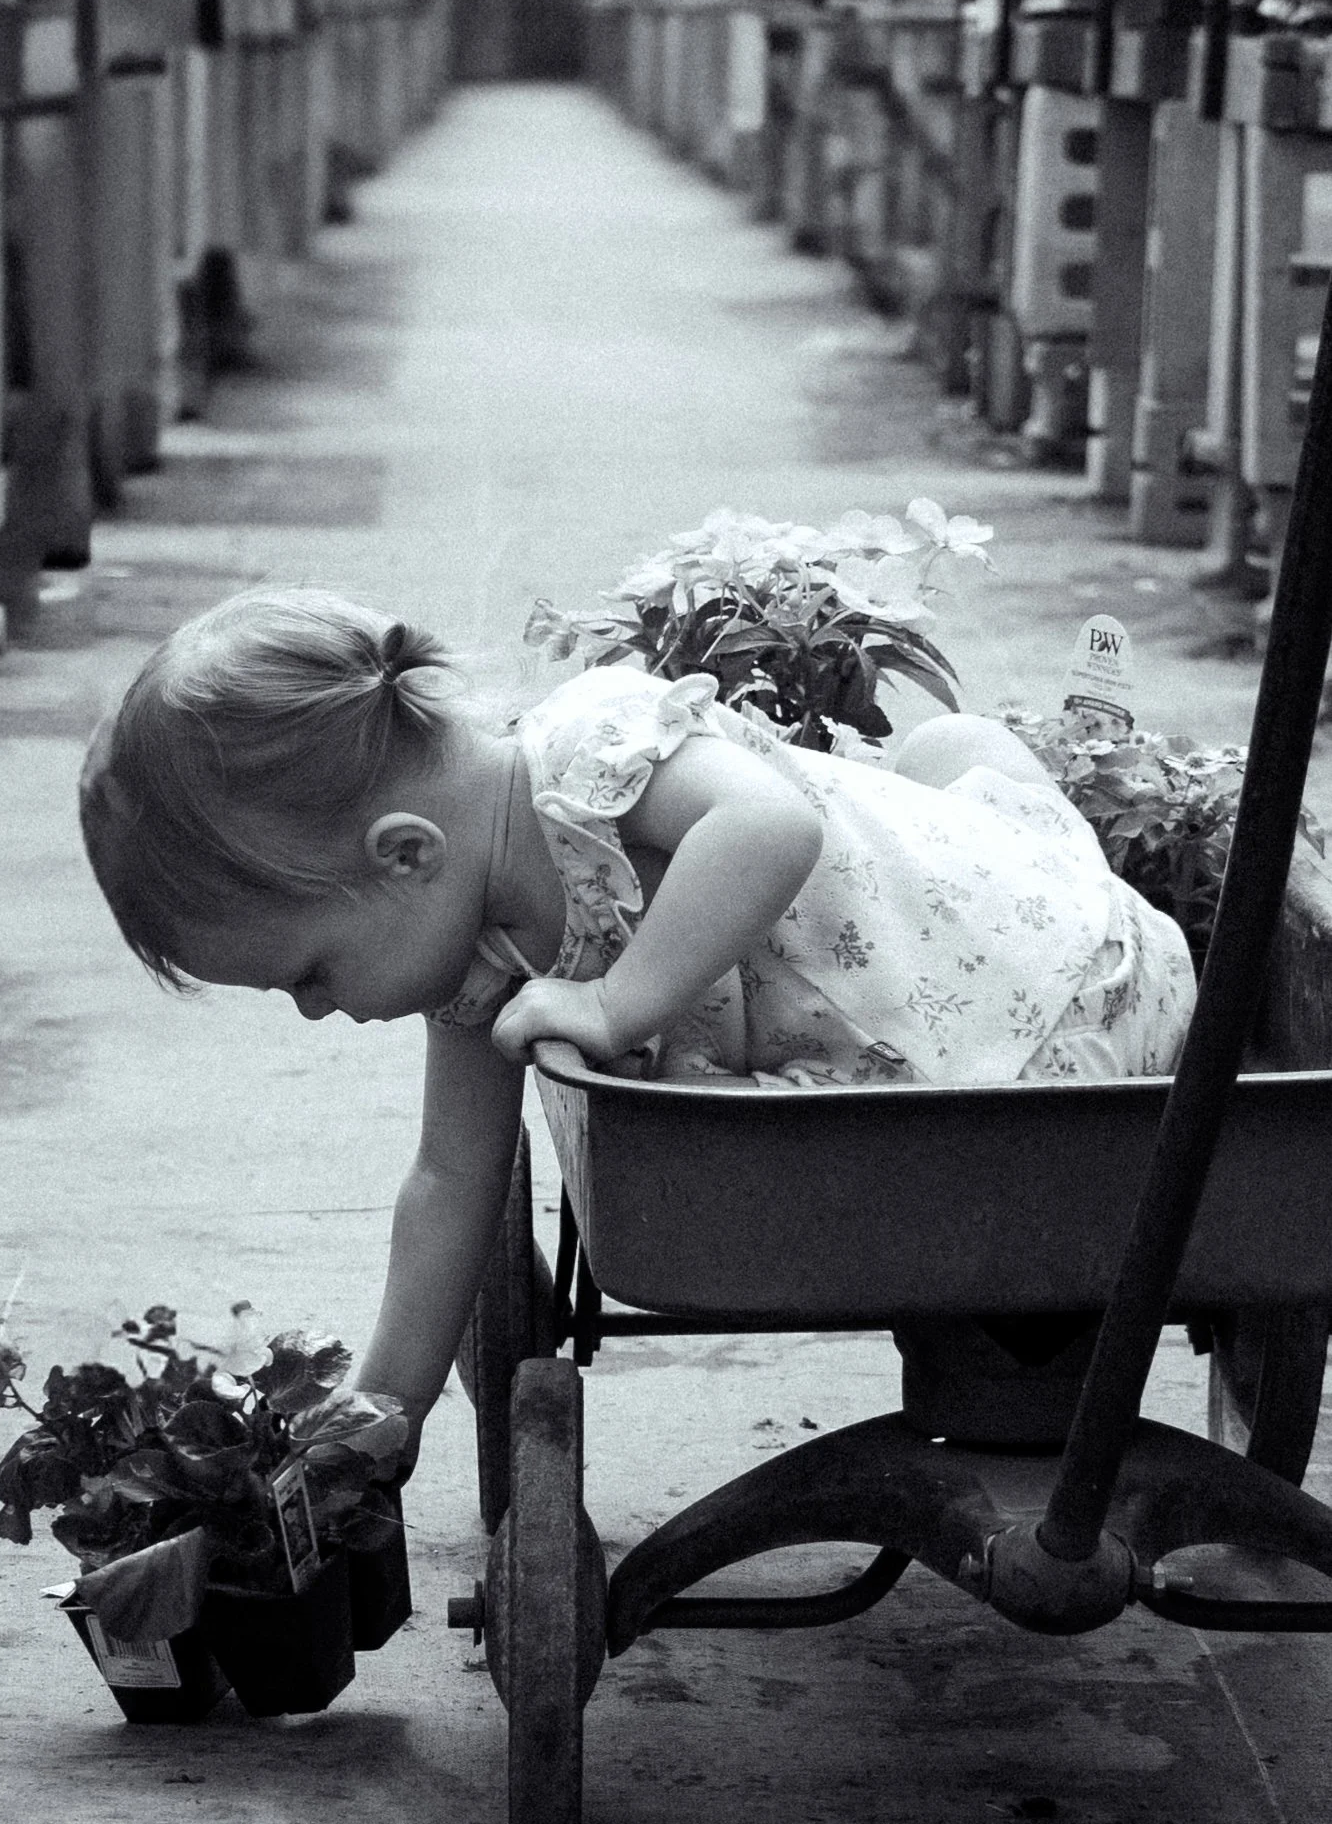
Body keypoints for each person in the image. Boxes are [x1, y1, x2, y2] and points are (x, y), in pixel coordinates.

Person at [80, 588, 1195, 1465]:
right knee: (950, 756)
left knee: (710, 1119)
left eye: (308, 975)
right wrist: (385, 1404)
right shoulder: (476, 964)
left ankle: (1061, 843)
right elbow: (446, 1178)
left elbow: (767, 824)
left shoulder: (587, 754)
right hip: (955, 1061)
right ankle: (1020, 798)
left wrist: (617, 1003)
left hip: (1046, 1040)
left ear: (406, 854)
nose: (320, 1012)